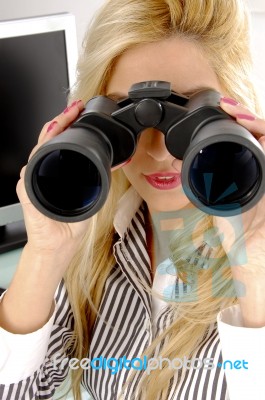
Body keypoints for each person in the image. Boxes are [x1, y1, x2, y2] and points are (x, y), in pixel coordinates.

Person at [0, 0, 265, 399]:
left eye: (194, 113)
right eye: (120, 111)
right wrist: (45, 254)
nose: (158, 151)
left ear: (238, 112)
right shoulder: (94, 246)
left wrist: (256, 266)